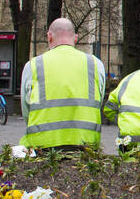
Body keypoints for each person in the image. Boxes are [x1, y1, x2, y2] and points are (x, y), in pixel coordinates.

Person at [19, 18, 106, 150]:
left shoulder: (34, 65)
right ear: (75, 38)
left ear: (49, 37)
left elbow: (26, 110)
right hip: (85, 143)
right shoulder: (95, 64)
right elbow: (98, 101)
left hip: (42, 144)